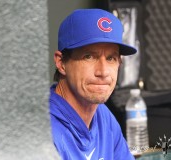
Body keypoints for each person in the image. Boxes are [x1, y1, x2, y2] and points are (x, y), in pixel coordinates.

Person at [50, 8, 137, 160]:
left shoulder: (104, 117)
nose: (103, 72)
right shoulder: (43, 132)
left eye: (111, 58)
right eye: (88, 56)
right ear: (61, 62)